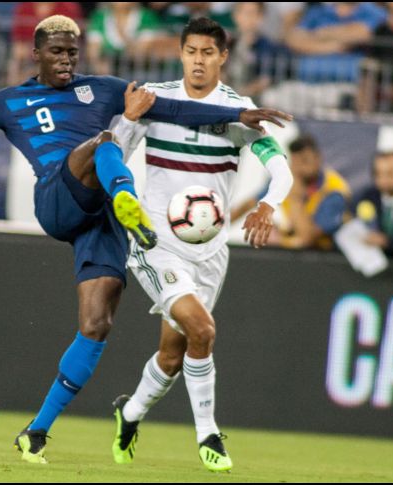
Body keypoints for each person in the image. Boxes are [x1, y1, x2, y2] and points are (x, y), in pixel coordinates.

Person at [0, 15, 290, 464]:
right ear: (36, 54)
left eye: (72, 52)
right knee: (104, 142)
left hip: (100, 219)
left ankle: (36, 431)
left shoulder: (102, 88)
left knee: (96, 326)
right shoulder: (9, 101)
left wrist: (237, 114)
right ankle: (126, 197)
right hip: (58, 198)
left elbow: (175, 109)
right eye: (57, 52)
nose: (66, 60)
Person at [109, 17, 293, 472]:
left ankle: (130, 413)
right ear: (180, 53)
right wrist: (125, 138)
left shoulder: (239, 110)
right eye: (191, 51)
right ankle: (208, 434)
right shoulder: (154, 99)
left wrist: (267, 205)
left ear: (222, 57)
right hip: (155, 242)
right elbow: (115, 151)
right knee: (204, 330)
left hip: (209, 252)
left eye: (207, 53)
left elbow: (281, 169)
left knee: (173, 355)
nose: (198, 61)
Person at [275, 134, 350, 251]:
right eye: (294, 162)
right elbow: (252, 203)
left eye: (304, 160)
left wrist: (295, 198)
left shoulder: (334, 192)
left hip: (323, 255)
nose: (298, 168)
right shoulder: (286, 180)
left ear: (318, 158)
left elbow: (307, 239)